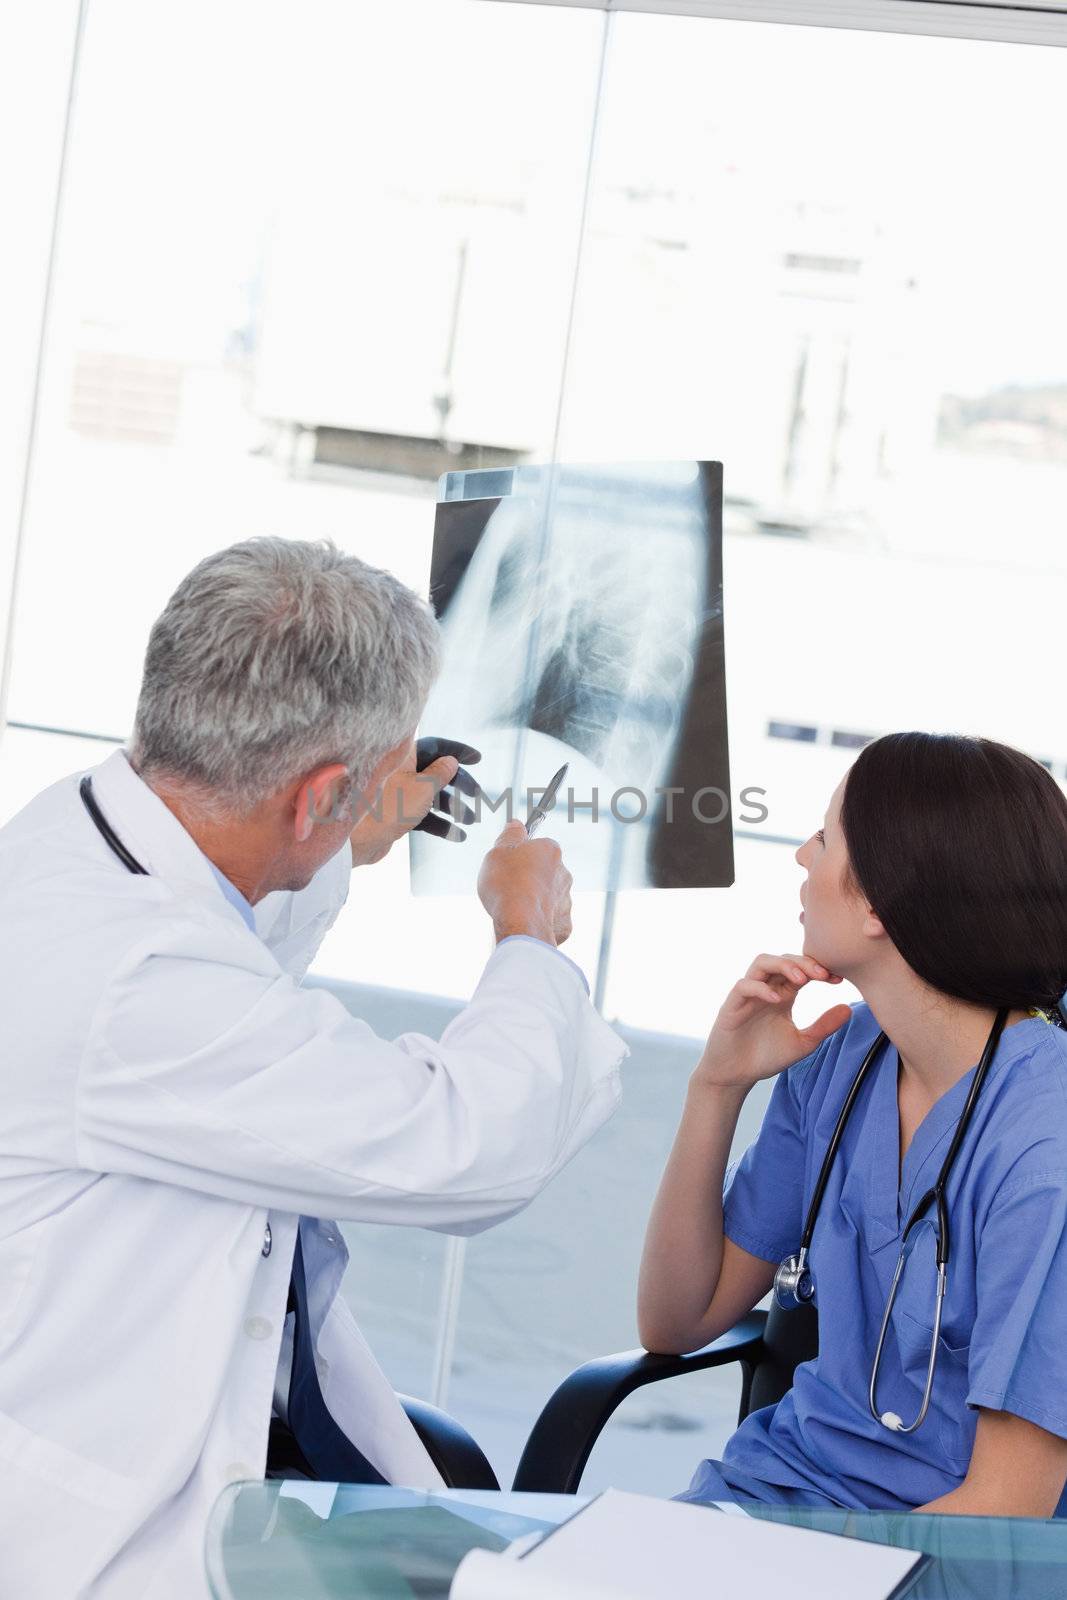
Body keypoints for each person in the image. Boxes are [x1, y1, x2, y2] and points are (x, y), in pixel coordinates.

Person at [0, 537, 628, 1599]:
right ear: (314, 791)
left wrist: (336, 834)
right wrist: (526, 941)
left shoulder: (82, 833)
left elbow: (232, 979)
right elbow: (460, 1150)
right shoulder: (140, 983)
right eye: (370, 779)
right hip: (94, 1528)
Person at [639, 732, 1067, 1518]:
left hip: (936, 1555)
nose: (802, 856)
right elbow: (677, 1319)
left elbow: (1007, 1506)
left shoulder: (1045, 1142)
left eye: (825, 836)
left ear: (877, 899)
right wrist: (717, 1085)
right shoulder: (840, 1056)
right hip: (767, 1498)